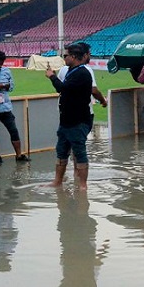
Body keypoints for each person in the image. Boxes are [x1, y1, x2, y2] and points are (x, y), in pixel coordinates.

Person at [46, 43, 93, 190]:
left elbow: (63, 89)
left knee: (79, 153)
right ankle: (58, 181)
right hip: (66, 121)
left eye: (65, 55)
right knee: (61, 152)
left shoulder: (82, 73)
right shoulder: (72, 71)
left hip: (78, 121)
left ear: (73, 57)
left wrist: (52, 76)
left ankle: (82, 185)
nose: (64, 58)